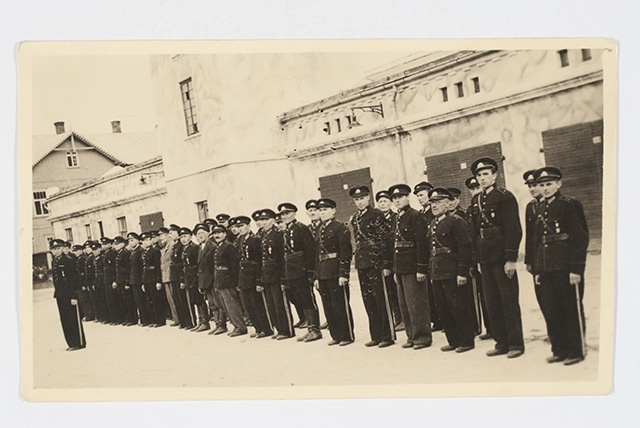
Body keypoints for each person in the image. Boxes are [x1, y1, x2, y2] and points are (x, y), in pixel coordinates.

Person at [468, 157, 525, 358]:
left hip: (501, 258)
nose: (482, 179)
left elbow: (513, 229)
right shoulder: (476, 201)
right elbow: (474, 232)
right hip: (486, 259)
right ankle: (501, 342)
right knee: (492, 302)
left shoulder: (504, 196)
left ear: (494, 175)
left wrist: (511, 258)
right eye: (479, 175)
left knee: (508, 300)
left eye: (485, 174)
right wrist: (477, 259)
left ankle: (516, 343)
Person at [532, 167, 589, 366]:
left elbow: (580, 238)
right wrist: (538, 270)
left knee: (570, 309)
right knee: (552, 310)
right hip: (547, 269)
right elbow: (539, 240)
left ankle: (576, 350)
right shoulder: (539, 208)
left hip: (565, 268)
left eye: (549, 184)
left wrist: (576, 269)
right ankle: (559, 349)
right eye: (541, 185)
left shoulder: (570, 205)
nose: (545, 188)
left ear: (559, 184)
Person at [427, 188, 475, 353]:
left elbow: (465, 247)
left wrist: (462, 271)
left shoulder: (455, 221)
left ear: (448, 203)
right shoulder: (433, 223)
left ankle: (466, 340)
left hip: (453, 271)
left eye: (439, 202)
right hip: (438, 271)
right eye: (432, 202)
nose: (435, 206)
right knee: (443, 308)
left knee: (458, 306)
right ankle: (453, 340)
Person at [350, 186, 395, 348]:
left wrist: (386, 264)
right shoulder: (355, 218)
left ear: (368, 198)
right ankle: (375, 335)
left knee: (380, 298)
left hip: (376, 263)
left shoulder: (376, 214)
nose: (359, 202)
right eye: (356, 199)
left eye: (362, 198)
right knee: (368, 299)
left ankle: (387, 336)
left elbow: (385, 240)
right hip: (363, 263)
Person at [388, 184, 432, 350]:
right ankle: (411, 335)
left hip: (413, 266)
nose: (397, 201)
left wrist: (422, 268)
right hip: (401, 267)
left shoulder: (415, 216)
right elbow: (394, 245)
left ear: (408, 198)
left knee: (417, 303)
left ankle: (422, 336)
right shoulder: (396, 218)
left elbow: (422, 244)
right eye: (395, 198)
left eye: (400, 197)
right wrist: (394, 268)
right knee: (405, 303)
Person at [279, 202, 322, 342]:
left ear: (294, 214)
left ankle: (315, 329)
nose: (284, 216)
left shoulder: (300, 228)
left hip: (302, 271)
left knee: (308, 299)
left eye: (287, 213)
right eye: (282, 214)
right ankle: (310, 327)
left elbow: (310, 251)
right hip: (292, 272)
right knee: (301, 300)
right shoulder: (286, 230)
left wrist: (311, 272)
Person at [313, 198, 353, 346]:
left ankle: (346, 335)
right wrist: (316, 276)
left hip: (336, 271)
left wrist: (343, 273)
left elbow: (345, 251)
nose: (322, 213)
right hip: (323, 272)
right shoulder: (319, 229)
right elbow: (317, 255)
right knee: (328, 306)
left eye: (325, 210)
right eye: (320, 210)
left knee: (339, 304)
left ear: (333, 211)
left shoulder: (339, 227)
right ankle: (335, 335)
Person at [234, 215, 273, 338]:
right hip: (244, 277)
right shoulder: (240, 241)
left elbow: (258, 261)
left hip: (253, 276)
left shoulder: (255, 240)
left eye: (242, 226)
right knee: (249, 305)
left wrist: (259, 281)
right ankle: (258, 328)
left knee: (258, 305)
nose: (240, 229)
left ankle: (266, 329)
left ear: (248, 226)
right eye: (238, 227)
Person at [258, 209, 294, 340]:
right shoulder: (263, 235)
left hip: (277, 274)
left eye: (266, 220)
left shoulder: (278, 234)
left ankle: (287, 330)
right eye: (261, 220)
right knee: (272, 305)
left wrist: (284, 278)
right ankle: (279, 329)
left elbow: (282, 257)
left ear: (273, 220)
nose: (263, 223)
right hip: (267, 274)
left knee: (280, 304)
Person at [465, 176, 491, 339]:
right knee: (483, 294)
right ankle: (489, 328)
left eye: (477, 188)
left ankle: (494, 328)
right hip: (477, 258)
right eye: (472, 189)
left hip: (488, 256)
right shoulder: (471, 209)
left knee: (491, 294)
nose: (475, 191)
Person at [413, 181, 441, 331]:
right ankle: (436, 320)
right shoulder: (420, 213)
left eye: (422, 195)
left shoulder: (435, 212)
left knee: (437, 288)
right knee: (429, 290)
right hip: (426, 255)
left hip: (435, 254)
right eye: (417, 196)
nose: (419, 198)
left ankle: (441, 320)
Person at [50, 239, 86, 351]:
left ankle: (78, 342)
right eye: (54, 249)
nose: (56, 251)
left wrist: (74, 295)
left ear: (62, 248)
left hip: (69, 294)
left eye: (58, 248)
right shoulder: (54, 261)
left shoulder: (68, 260)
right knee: (64, 319)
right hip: (60, 294)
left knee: (72, 318)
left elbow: (75, 279)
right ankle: (71, 343)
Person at [211, 224, 247, 337]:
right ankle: (236, 326)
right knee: (226, 306)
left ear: (225, 234)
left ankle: (240, 327)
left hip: (228, 281)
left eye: (219, 233)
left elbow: (234, 266)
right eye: (215, 233)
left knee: (232, 306)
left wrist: (236, 282)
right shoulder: (219, 246)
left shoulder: (228, 246)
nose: (217, 235)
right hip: (221, 281)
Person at [375, 190, 403, 331]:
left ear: (390, 203)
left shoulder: (395, 218)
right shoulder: (378, 218)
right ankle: (396, 316)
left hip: (394, 257)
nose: (382, 204)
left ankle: (402, 318)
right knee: (389, 289)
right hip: (381, 259)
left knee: (397, 288)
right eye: (380, 202)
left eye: (385, 201)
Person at [195, 223, 226, 334]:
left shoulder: (212, 246)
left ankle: (222, 325)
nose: (200, 236)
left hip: (213, 279)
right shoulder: (200, 247)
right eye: (198, 234)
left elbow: (214, 264)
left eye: (202, 233)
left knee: (218, 303)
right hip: (205, 281)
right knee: (212, 304)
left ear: (208, 234)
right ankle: (217, 324)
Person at [180, 227, 207, 331]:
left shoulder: (194, 248)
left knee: (199, 300)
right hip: (188, 278)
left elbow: (197, 264)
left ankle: (204, 322)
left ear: (190, 236)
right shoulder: (185, 249)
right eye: (181, 237)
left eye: (185, 236)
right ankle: (200, 321)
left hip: (195, 277)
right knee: (194, 300)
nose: (183, 239)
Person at [169, 224, 192, 329]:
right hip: (174, 276)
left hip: (180, 276)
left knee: (183, 300)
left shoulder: (180, 246)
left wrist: (174, 266)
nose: (170, 235)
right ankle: (183, 322)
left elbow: (182, 263)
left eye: (171, 233)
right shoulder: (175, 245)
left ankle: (188, 322)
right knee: (177, 300)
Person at [141, 231, 165, 327]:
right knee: (149, 300)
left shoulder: (155, 251)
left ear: (151, 240)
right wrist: (143, 282)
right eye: (144, 240)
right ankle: (153, 320)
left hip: (153, 278)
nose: (146, 242)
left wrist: (158, 281)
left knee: (156, 300)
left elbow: (157, 266)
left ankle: (160, 320)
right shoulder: (144, 252)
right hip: (147, 278)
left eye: (147, 240)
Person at [159, 227, 180, 327]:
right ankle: (176, 318)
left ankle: (178, 318)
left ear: (168, 235)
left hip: (171, 275)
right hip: (166, 275)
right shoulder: (164, 246)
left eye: (162, 235)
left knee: (174, 298)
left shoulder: (171, 245)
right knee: (170, 299)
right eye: (160, 235)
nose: (160, 237)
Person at [128, 232, 150, 327]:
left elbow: (142, 267)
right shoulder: (133, 251)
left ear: (137, 240)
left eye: (132, 240)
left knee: (142, 301)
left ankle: (145, 320)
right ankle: (142, 319)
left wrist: (142, 281)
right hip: (134, 280)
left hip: (139, 279)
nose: (130, 242)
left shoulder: (140, 251)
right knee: (138, 301)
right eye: (129, 241)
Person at [113, 235, 135, 326]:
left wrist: (127, 282)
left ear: (122, 244)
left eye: (117, 244)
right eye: (115, 244)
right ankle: (127, 318)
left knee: (129, 300)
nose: (116, 246)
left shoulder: (126, 253)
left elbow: (127, 269)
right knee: (123, 300)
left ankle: (132, 319)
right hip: (120, 280)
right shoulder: (119, 253)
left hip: (124, 280)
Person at [101, 237, 119, 325]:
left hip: (111, 279)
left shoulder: (112, 253)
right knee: (109, 300)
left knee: (114, 300)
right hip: (107, 279)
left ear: (109, 244)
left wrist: (114, 280)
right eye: (103, 244)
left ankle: (117, 318)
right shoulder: (105, 253)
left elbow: (114, 268)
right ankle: (113, 318)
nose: (103, 246)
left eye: (105, 244)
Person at [91, 241, 108, 323]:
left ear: (100, 249)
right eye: (93, 250)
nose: (94, 251)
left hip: (102, 281)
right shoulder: (94, 259)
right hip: (97, 281)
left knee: (104, 300)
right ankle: (101, 317)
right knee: (99, 300)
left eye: (96, 249)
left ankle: (106, 317)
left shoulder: (102, 258)